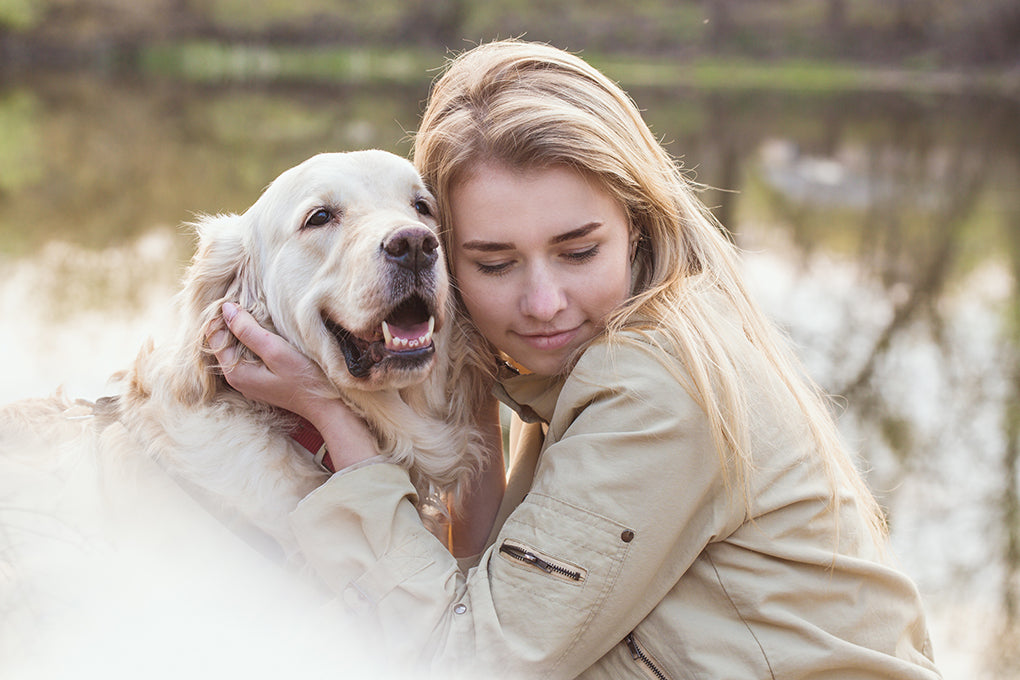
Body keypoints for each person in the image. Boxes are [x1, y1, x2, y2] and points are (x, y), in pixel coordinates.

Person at [213, 40, 941, 679]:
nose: (543, 303)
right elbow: (483, 575)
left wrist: (332, 420)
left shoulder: (654, 385)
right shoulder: (575, 367)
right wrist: (459, 360)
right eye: (493, 263)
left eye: (579, 251)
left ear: (639, 224)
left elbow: (474, 663)